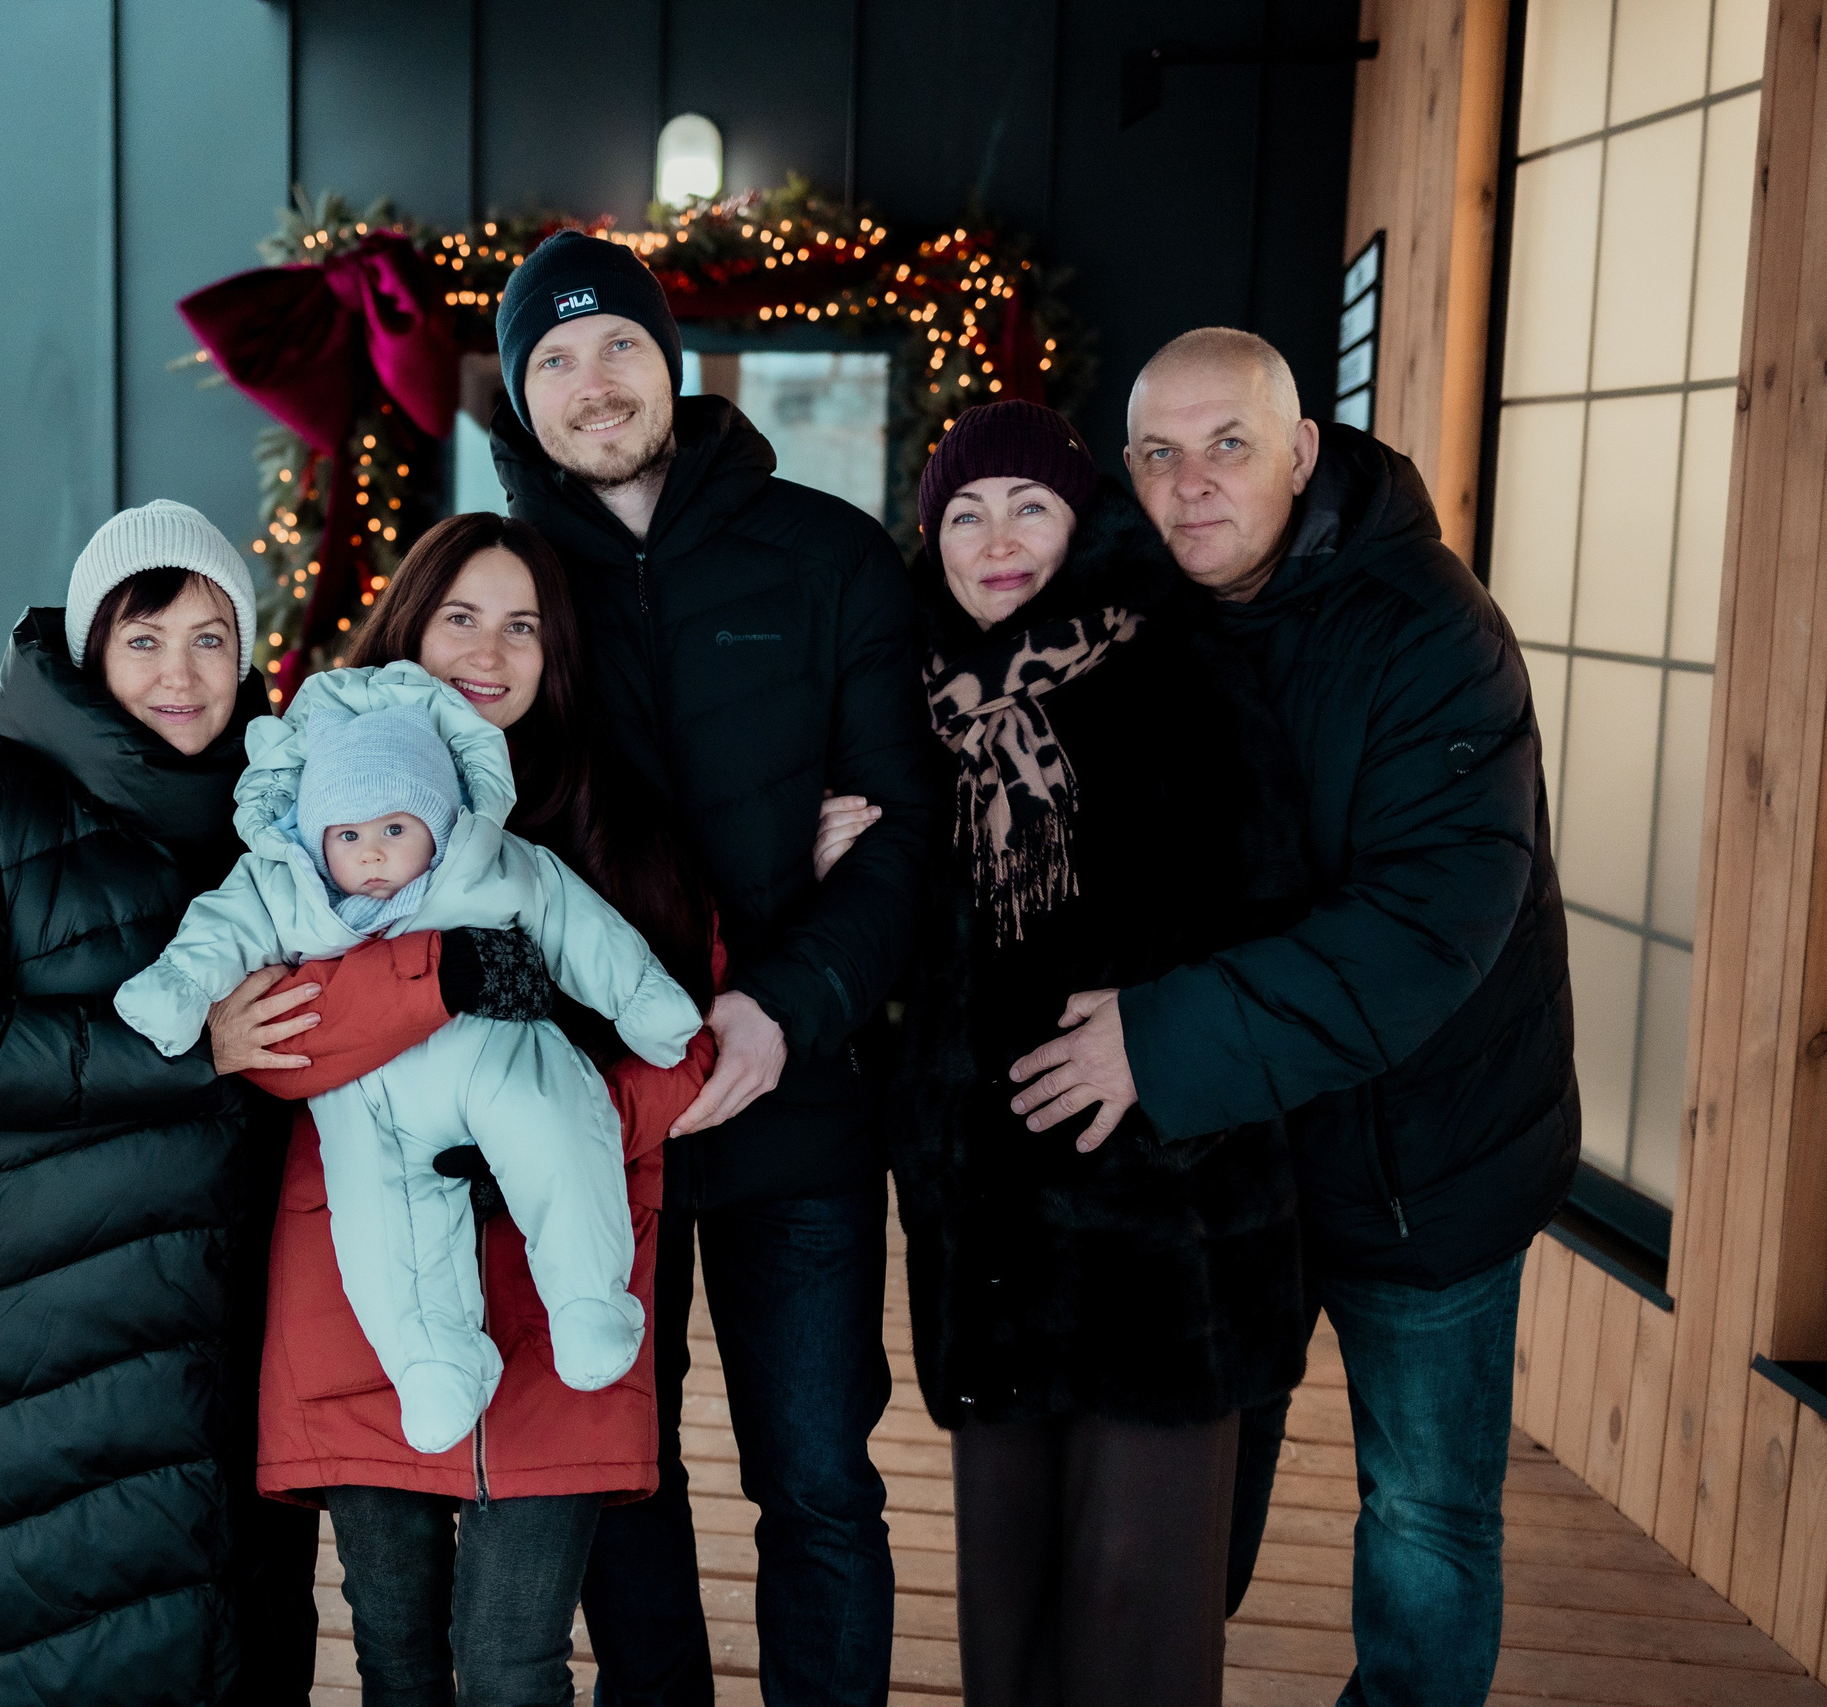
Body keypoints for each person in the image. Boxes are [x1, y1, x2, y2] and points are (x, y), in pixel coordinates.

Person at [0, 499, 547, 1704]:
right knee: (25, 1631)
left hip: (221, 1325)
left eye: (210, 640)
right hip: (28, 1327)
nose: (179, 676)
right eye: (144, 639)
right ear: (90, 648)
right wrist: (189, 1054)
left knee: (213, 1639)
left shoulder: (283, 817)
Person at [1006, 328, 1577, 1706]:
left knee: (1426, 1517)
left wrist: (1163, 1039)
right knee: (1196, 1508)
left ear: (1305, 450)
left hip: (1420, 1159)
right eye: (1156, 453)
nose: (1191, 484)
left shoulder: (1431, 629)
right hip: (1228, 1168)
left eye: (1229, 446)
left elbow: (1425, 925)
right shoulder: (1122, 615)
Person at [490, 230, 944, 1706]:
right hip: (592, 1109)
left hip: (792, 1096)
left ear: (667, 358)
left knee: (815, 1474)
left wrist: (784, 1000)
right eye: (550, 359)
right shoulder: (503, 590)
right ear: (521, 395)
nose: (590, 381)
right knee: (624, 1471)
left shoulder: (826, 557)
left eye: (614, 342)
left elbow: (906, 836)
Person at [239, 512, 726, 1706]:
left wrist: (554, 1137)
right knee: (398, 1660)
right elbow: (272, 1040)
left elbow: (685, 1047)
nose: (487, 652)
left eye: (523, 627)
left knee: (514, 1669)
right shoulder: (316, 815)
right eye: (459, 615)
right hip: (365, 1297)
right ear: (407, 621)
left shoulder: (620, 829)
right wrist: (445, 978)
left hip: (565, 1306)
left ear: (559, 655)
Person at [888, 401, 1312, 1707]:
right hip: (990, 1216)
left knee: (1141, 1591)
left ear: (1085, 523)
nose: (995, 539)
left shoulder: (1179, 662)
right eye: (964, 512)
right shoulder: (911, 701)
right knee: (1008, 1594)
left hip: (1161, 1202)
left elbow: (1273, 903)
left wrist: (1160, 1044)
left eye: (1029, 506)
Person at [114, 658, 702, 1452]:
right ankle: (435, 1363)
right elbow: (219, 931)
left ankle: (591, 1303)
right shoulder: (286, 884)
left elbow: (581, 928)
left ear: (439, 820)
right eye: (349, 836)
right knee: (382, 1228)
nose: (375, 854)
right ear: (317, 837)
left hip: (499, 1055)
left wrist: (648, 1006)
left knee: (559, 1137)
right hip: (368, 1096)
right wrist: (177, 990)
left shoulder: (489, 863)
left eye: (397, 828)